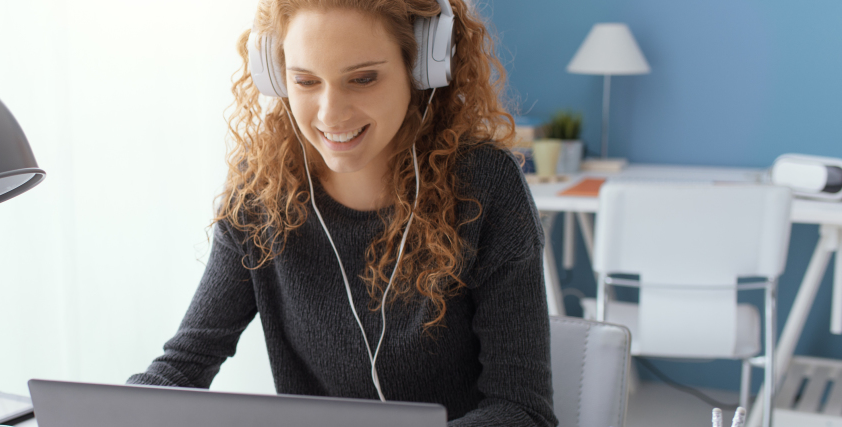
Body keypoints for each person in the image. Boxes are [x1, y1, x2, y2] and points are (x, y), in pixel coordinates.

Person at [127, 0, 555, 425]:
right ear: (276, 77)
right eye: (306, 81)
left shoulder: (484, 187)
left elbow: (523, 411)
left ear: (421, 67)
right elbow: (184, 365)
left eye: (363, 78)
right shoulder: (261, 193)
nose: (331, 113)